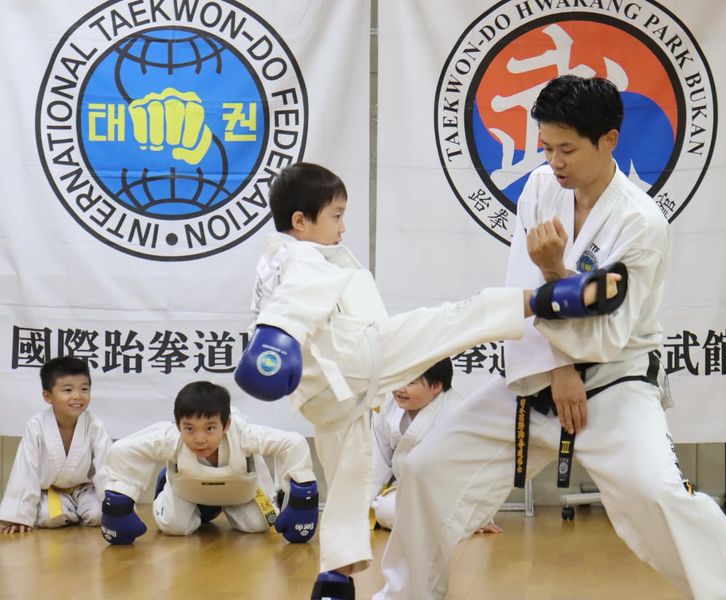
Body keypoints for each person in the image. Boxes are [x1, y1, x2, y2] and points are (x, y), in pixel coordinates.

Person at [375, 75, 726, 599]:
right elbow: (521, 294)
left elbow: (609, 332)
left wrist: (557, 271)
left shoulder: (640, 224)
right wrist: (558, 367)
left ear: (608, 139)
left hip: (616, 382)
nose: (555, 161)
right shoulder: (541, 189)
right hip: (539, 379)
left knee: (658, 494)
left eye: (567, 149)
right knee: (427, 467)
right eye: (546, 147)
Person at [234, 162, 625, 599]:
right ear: (300, 221)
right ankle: (547, 298)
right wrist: (274, 343)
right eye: (336, 216)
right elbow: (295, 300)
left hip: (326, 395)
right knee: (448, 322)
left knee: (348, 474)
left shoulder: (277, 258)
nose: (344, 227)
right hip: (353, 357)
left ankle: (336, 577)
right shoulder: (299, 254)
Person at [98, 381, 318, 546]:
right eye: (189, 428)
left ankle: (210, 507)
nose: (200, 439)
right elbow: (122, 450)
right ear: (177, 425)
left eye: (210, 428)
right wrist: (119, 503)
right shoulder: (170, 438)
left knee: (257, 526)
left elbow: (293, 443)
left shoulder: (245, 434)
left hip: (240, 491)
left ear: (227, 424)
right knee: (174, 527)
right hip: (187, 489)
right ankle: (168, 482)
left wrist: (301, 499)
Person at [369, 358, 501, 534]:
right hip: (407, 490)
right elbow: (378, 462)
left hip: (449, 494)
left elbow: (476, 470)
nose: (400, 389)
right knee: (384, 509)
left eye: (410, 383)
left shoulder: (457, 413)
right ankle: (447, 525)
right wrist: (364, 507)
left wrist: (480, 515)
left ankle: (459, 522)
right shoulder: (386, 406)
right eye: (398, 380)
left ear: (436, 386)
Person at [0, 357, 111, 534]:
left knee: (99, 515)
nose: (77, 396)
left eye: (84, 389)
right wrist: (18, 516)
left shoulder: (94, 424)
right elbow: (26, 469)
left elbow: (106, 467)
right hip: (53, 492)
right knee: (48, 517)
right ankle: (69, 510)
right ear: (48, 396)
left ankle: (74, 510)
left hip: (85, 490)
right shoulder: (37, 425)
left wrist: (117, 507)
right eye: (68, 390)